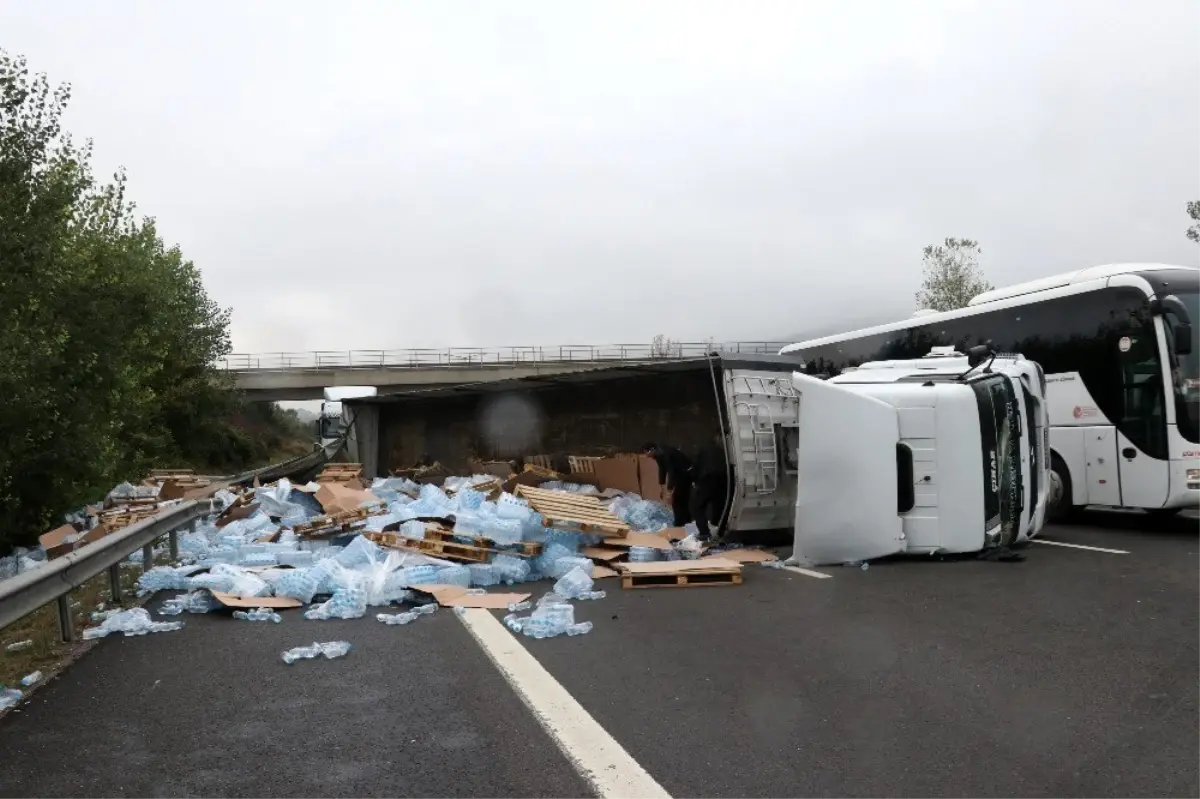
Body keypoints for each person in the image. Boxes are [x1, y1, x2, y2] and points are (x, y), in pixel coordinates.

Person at [689, 435, 729, 541]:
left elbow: (696, 466)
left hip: (706, 480)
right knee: (719, 507)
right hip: (722, 482)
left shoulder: (704, 450)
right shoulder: (726, 452)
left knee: (698, 507)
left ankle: (704, 533)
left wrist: (694, 480)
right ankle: (720, 531)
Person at [642, 442, 692, 526]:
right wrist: (661, 487)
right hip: (678, 474)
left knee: (677, 500)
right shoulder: (658, 455)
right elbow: (662, 470)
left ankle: (680, 525)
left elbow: (671, 472)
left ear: (652, 449)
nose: (647, 456)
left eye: (647, 453)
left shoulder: (666, 454)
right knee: (679, 500)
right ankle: (686, 523)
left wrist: (669, 491)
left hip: (685, 474)